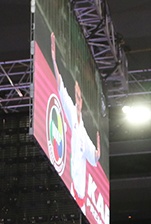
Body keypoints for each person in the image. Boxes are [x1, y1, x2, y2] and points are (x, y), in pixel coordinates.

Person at [50, 31, 100, 202]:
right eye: (77, 96)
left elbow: (95, 157)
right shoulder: (71, 111)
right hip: (73, 181)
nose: (78, 100)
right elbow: (60, 84)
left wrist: (99, 149)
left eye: (79, 97)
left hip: (80, 191)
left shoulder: (84, 134)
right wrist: (54, 59)